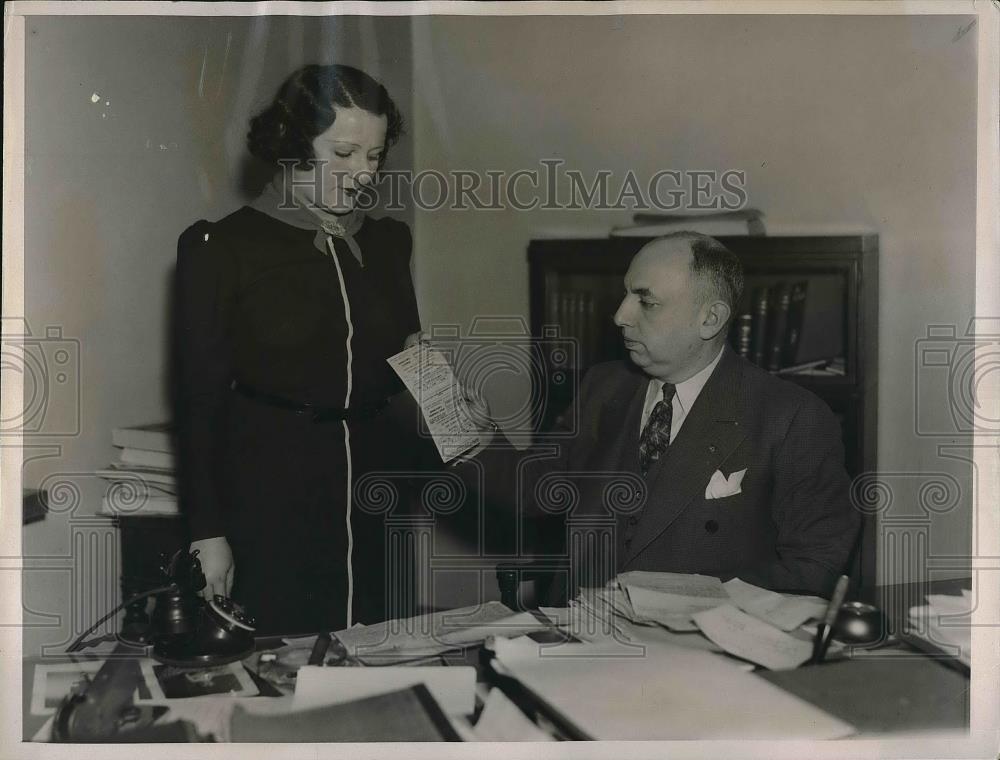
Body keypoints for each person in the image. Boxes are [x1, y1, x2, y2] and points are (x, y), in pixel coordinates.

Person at [173, 64, 437, 635]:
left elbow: (413, 358)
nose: (363, 175)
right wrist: (207, 533)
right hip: (270, 493)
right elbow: (199, 402)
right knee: (283, 670)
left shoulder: (388, 242)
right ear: (292, 148)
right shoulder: (222, 248)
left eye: (373, 157)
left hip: (378, 489)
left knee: (382, 650)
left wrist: (470, 435)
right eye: (343, 154)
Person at [467, 232, 860, 597]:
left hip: (699, 653)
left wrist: (686, 603)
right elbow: (536, 489)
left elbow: (816, 565)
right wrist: (470, 429)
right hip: (580, 642)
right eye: (625, 295)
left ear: (710, 318)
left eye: (646, 302)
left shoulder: (792, 417)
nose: (620, 315)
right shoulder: (602, 388)